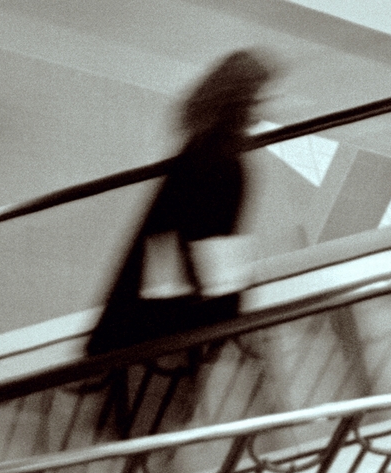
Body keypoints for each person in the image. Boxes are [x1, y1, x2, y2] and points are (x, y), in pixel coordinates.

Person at [84, 50, 274, 452]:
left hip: (158, 277)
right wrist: (226, 318)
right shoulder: (229, 166)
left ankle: (119, 417)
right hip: (178, 295)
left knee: (137, 360)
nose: (266, 107)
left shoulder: (199, 141)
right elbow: (221, 247)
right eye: (259, 98)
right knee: (162, 376)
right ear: (240, 103)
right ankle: (136, 437)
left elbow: (176, 231)